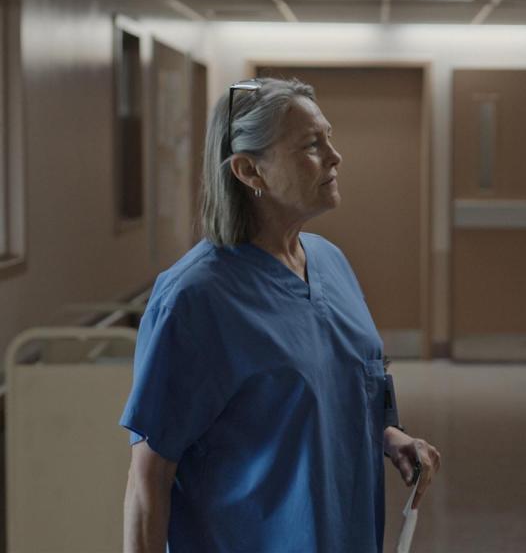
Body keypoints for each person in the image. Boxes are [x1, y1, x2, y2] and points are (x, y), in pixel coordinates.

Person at [121, 77, 441, 552]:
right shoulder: (196, 299)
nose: (335, 156)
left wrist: (388, 436)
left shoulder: (330, 262)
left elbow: (331, 393)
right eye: (312, 145)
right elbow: (149, 480)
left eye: (329, 138)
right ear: (250, 171)